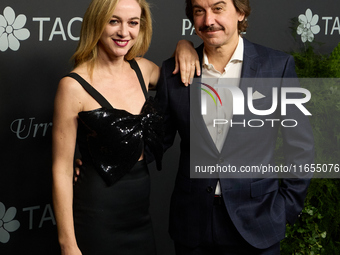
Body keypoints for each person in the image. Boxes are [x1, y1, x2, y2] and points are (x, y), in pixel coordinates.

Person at [156, 0, 314, 254]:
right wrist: (93, 164)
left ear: (240, 12)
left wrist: (285, 208)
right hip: (192, 225)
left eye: (218, 8)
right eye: (199, 11)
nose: (208, 20)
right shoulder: (173, 71)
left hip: (258, 222)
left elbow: (301, 147)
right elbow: (154, 143)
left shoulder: (277, 67)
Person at [51, 0, 198, 254]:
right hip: (97, 219)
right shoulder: (72, 86)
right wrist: (68, 244)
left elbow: (177, 69)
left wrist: (184, 44)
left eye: (133, 23)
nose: (124, 32)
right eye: (113, 21)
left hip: (140, 219)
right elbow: (62, 171)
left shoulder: (143, 69)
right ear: (97, 22)